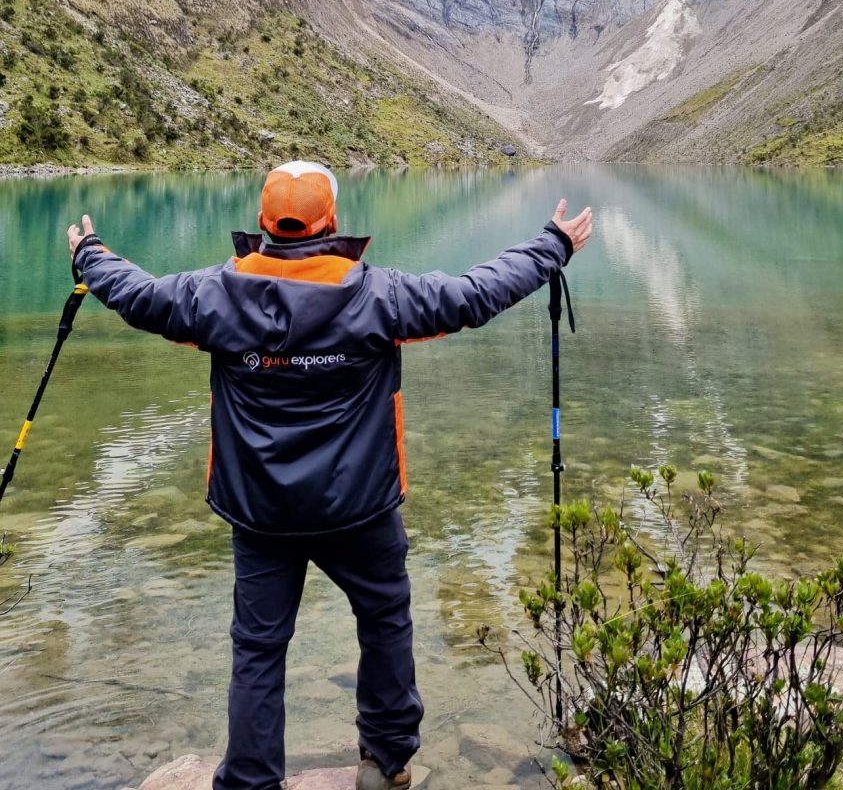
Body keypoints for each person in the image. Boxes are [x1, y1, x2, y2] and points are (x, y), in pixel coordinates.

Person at [67, 161, 592, 790]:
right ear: (332, 221)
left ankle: (253, 779)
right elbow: (474, 294)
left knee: (258, 648)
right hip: (360, 510)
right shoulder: (377, 294)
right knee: (385, 617)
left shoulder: (214, 294)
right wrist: (552, 246)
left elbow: (140, 296)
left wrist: (90, 254)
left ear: (263, 223)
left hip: (261, 514)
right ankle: (387, 762)